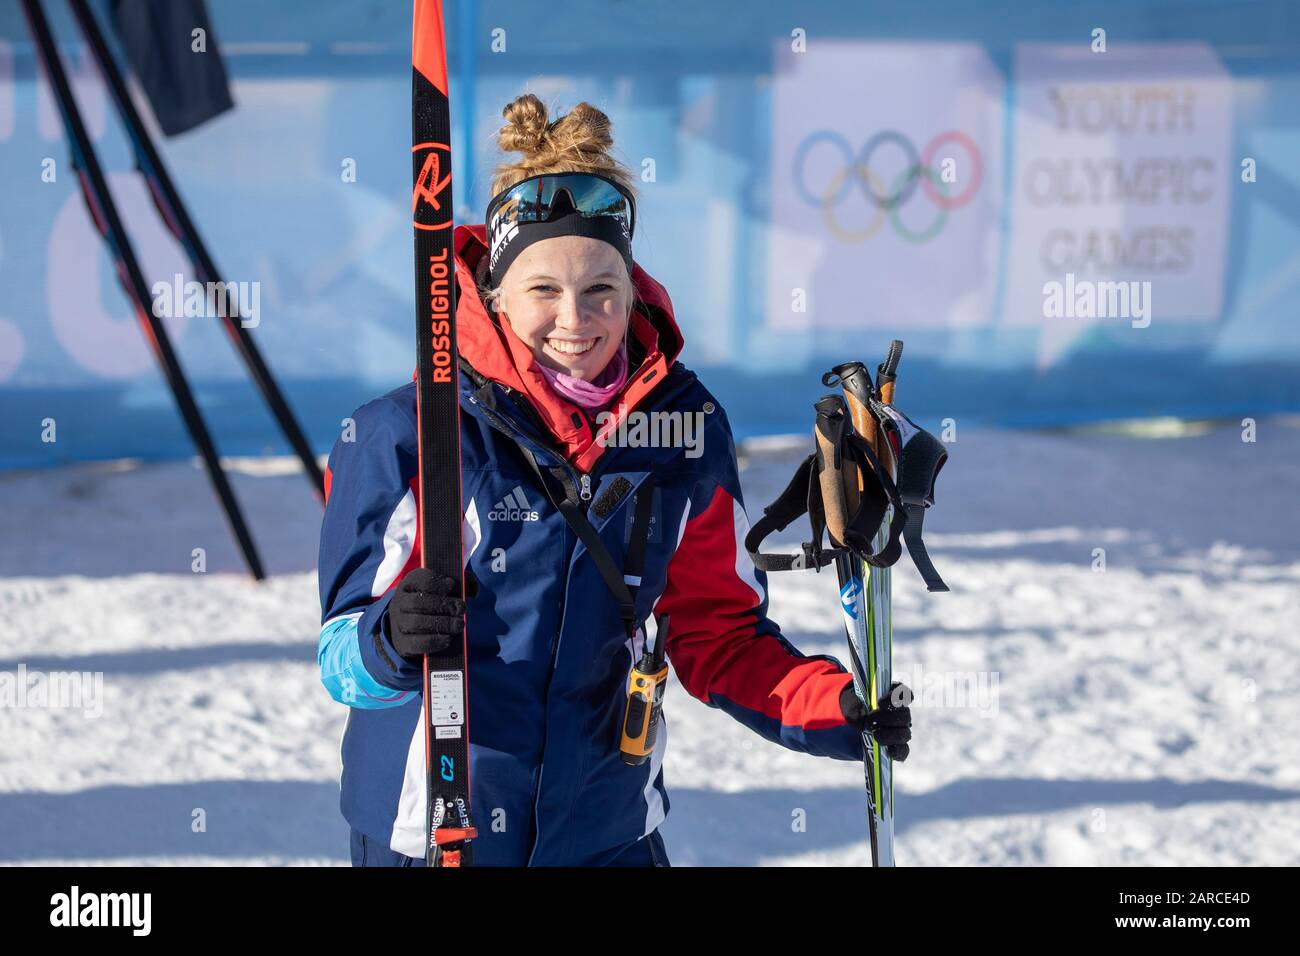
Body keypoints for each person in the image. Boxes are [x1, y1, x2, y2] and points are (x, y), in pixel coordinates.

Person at [317, 93, 911, 867]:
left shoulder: (684, 432)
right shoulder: (405, 435)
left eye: (601, 287)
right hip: (433, 832)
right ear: (494, 296)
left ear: (632, 290)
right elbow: (339, 659)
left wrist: (836, 709)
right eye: (542, 290)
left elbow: (719, 634)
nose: (576, 319)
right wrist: (390, 641)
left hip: (605, 830)